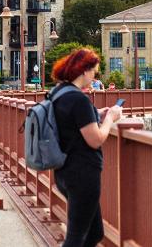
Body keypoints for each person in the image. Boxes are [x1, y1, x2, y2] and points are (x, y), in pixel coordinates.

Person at [50, 48, 123, 247]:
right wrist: (110, 118)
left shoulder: (59, 92)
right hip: (82, 175)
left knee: (94, 233)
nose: (94, 76)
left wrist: (97, 113)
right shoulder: (79, 99)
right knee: (76, 237)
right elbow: (96, 139)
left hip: (63, 171)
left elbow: (70, 121)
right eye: (93, 71)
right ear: (84, 71)